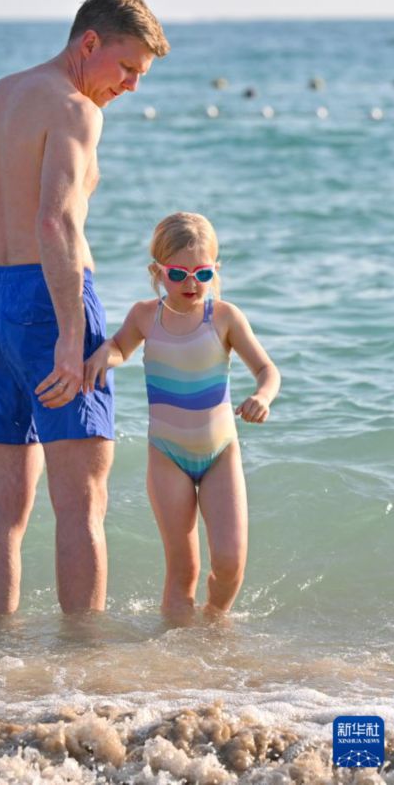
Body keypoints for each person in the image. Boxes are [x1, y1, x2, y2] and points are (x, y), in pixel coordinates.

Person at [0, 0, 170, 617]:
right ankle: (81, 661)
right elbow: (56, 224)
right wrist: (72, 336)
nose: (132, 85)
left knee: (7, 502)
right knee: (82, 503)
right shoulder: (75, 109)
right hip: (50, 301)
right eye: (126, 67)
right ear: (89, 42)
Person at [83, 212, 280, 621]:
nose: (192, 283)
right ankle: (175, 649)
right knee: (183, 569)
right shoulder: (145, 316)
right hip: (167, 456)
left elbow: (267, 370)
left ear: (215, 270)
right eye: (178, 274)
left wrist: (262, 396)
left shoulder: (223, 317)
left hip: (220, 453)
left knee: (229, 561)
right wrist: (105, 355)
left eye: (202, 273)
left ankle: (213, 622)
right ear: (157, 272)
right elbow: (120, 347)